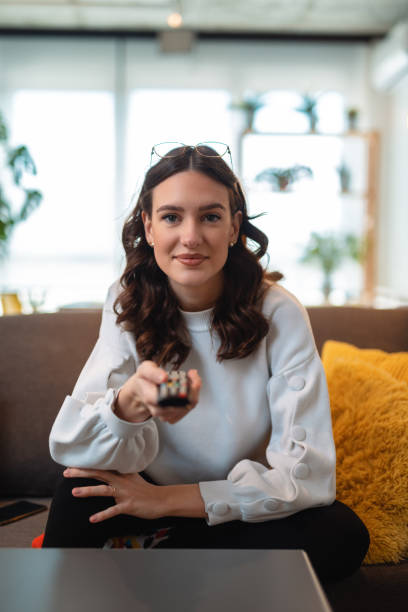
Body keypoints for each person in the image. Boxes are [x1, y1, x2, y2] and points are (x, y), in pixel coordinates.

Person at [43, 142, 369, 581]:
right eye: (172, 216)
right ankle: (191, 568)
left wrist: (165, 502)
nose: (191, 237)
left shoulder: (279, 312)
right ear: (149, 226)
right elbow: (70, 446)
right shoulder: (127, 302)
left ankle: (158, 560)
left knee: (341, 534)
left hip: (233, 503)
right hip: (144, 493)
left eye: (210, 216)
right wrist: (127, 406)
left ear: (235, 227)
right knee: (74, 489)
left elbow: (307, 477)